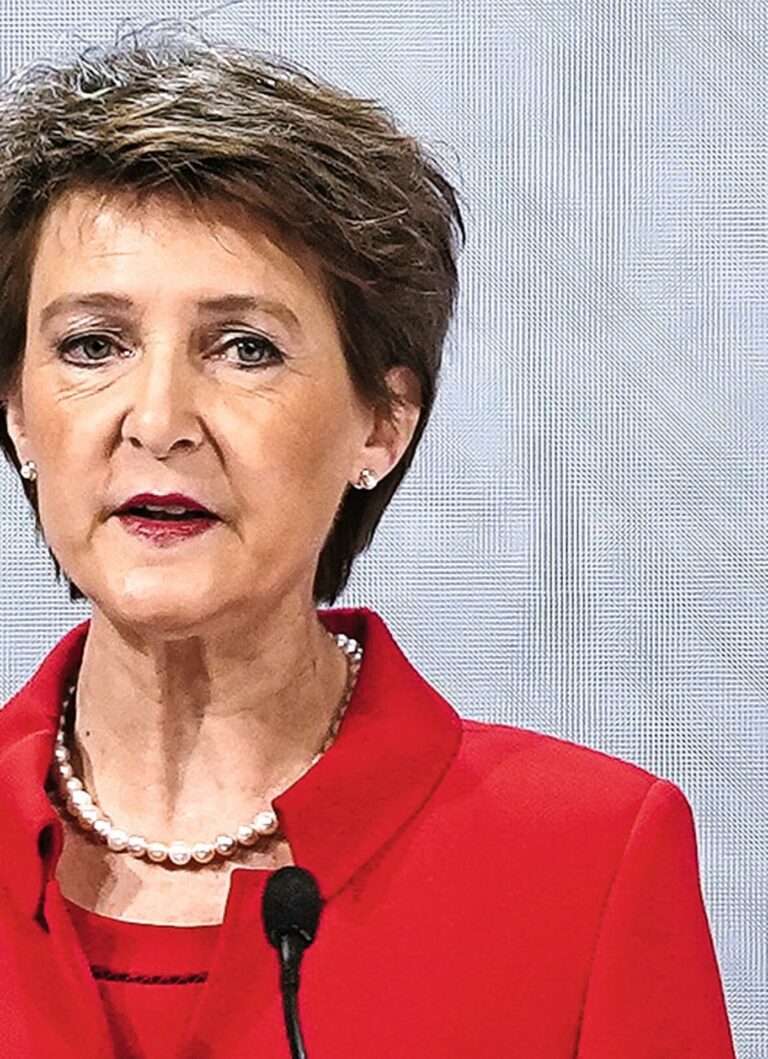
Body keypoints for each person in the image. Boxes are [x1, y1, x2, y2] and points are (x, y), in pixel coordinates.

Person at [0, 28, 735, 1059]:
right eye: (93, 344)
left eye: (245, 347)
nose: (158, 419)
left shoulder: (584, 861)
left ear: (382, 423)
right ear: (19, 411)